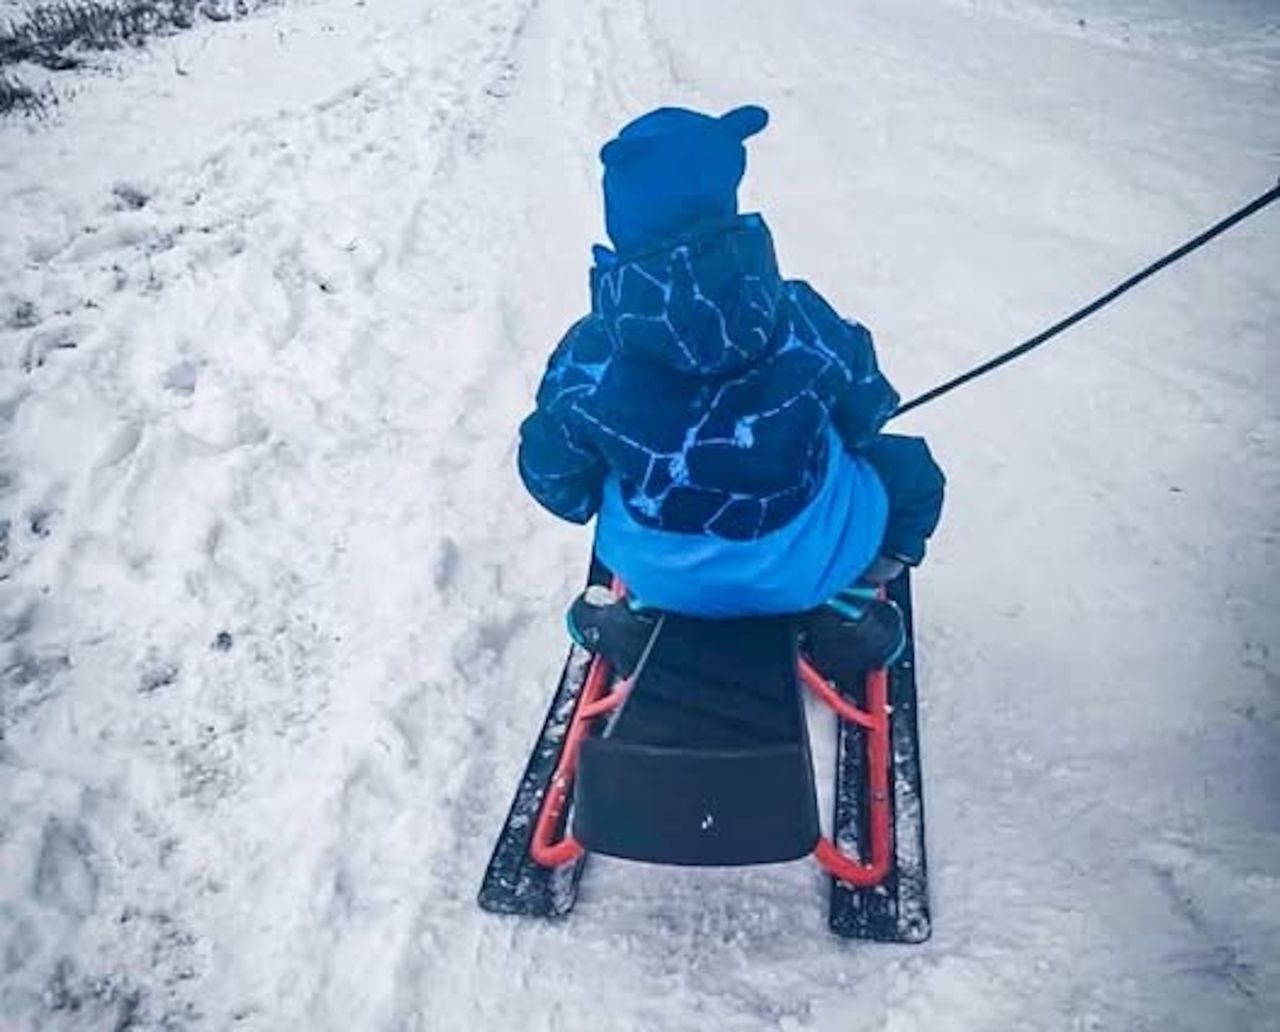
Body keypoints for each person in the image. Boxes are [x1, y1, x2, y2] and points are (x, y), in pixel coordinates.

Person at [517, 104, 944, 682]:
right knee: (911, 470)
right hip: (805, 569)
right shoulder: (800, 317)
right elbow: (867, 410)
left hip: (660, 575)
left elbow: (557, 484)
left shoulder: (591, 354)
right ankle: (845, 610)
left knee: (619, 478)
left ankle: (637, 616)